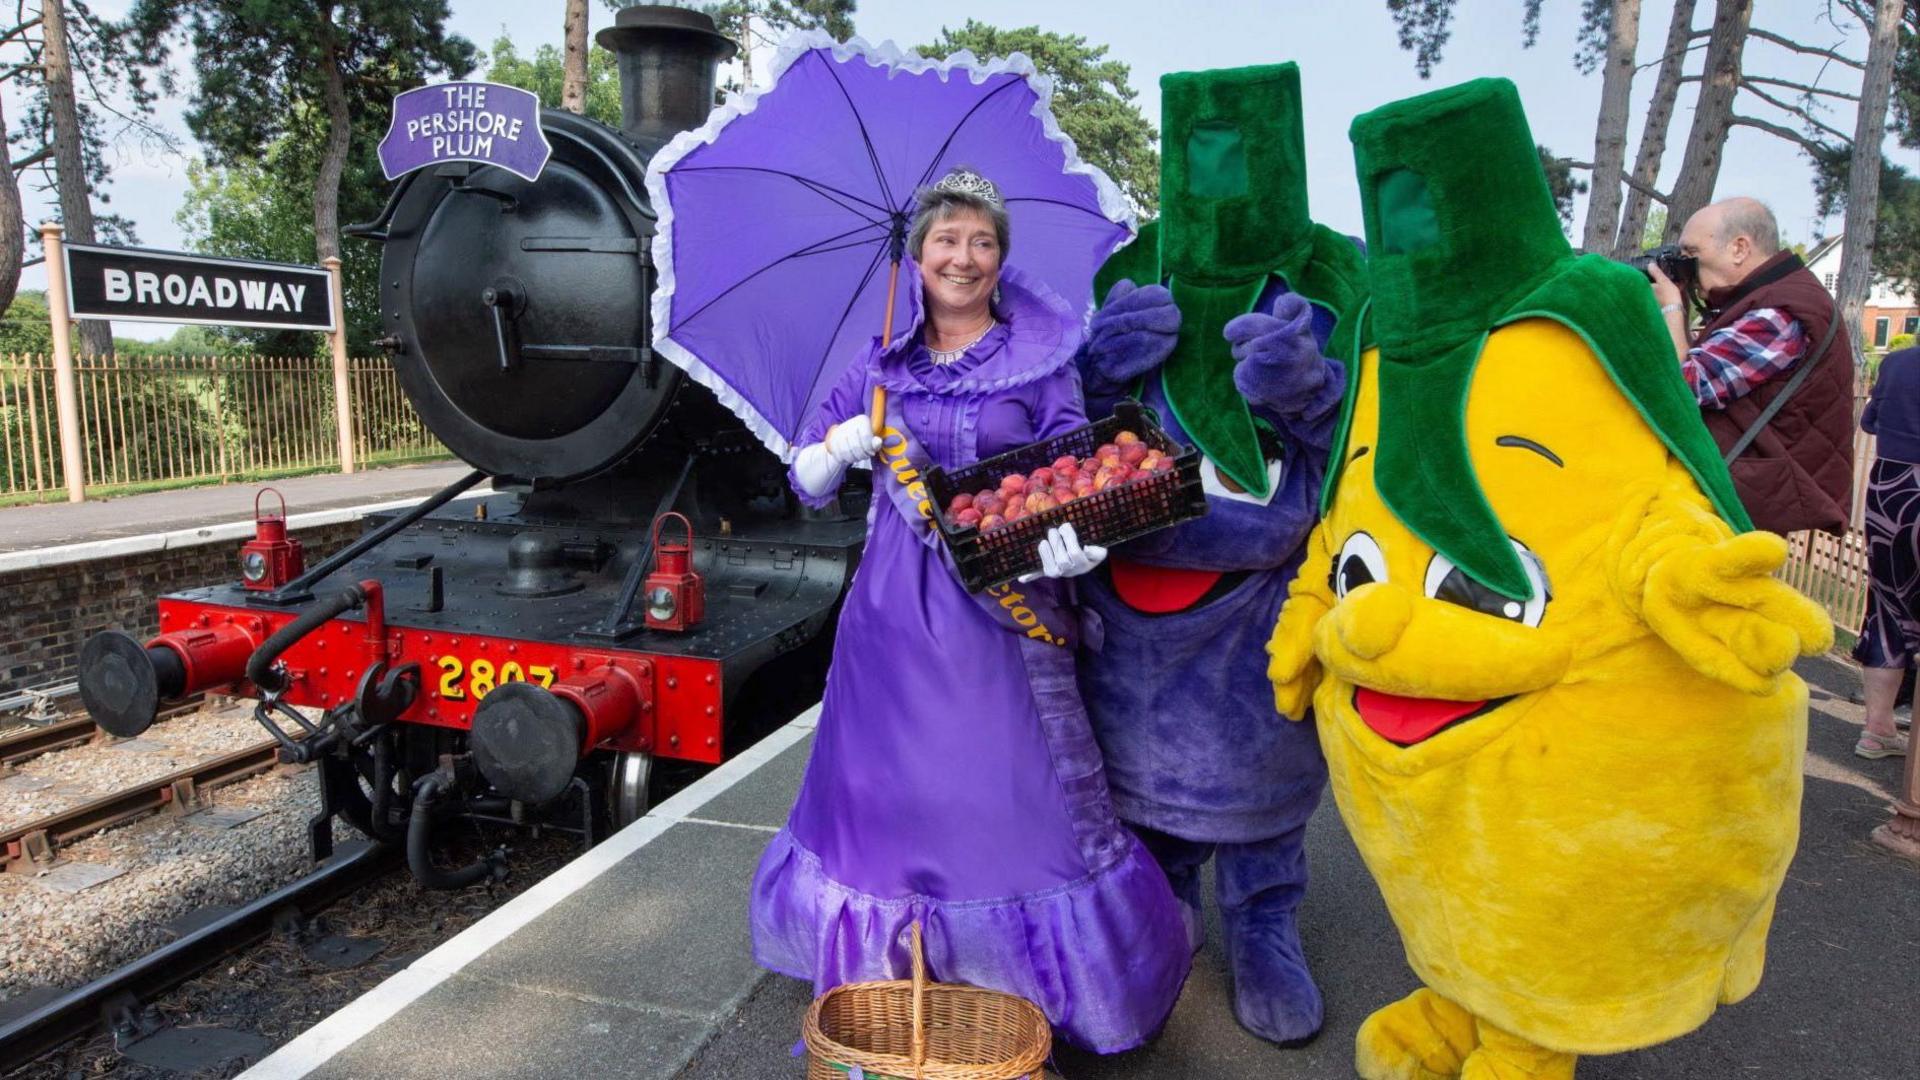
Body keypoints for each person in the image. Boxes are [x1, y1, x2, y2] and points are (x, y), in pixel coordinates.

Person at [749, 169, 1191, 1053]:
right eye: (947, 239)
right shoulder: (876, 365)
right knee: (887, 803)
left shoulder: (1041, 361)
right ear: (917, 256)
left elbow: (1076, 469)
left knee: (1008, 804)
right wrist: (837, 448)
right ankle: (894, 993)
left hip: (1007, 615)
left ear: (1000, 260)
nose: (964, 256)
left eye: (982, 241)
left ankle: (1024, 1000)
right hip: (889, 628)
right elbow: (800, 480)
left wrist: (1085, 540)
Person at [1075, 62, 1361, 1047]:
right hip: (1127, 597)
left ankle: (1264, 918)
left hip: (1256, 606)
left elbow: (1366, 453)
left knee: (1263, 799)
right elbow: (1054, 446)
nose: (1219, 168)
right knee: (1139, 813)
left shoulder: (1333, 279)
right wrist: (1094, 369)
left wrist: (1307, 394)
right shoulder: (1126, 269)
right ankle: (1160, 919)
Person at [1647, 196, 1854, 536]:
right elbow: (1697, 362)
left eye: (1691, 254)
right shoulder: (1769, 299)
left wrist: (1670, 309)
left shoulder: (1780, 313)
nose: (1684, 267)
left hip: (1746, 495)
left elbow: (1684, 385)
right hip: (1749, 487)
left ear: (1739, 248)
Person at [1852, 343, 1920, 759]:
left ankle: (1876, 731)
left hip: (1891, 494)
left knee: (1887, 610)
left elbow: (1869, 421)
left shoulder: (1896, 363)